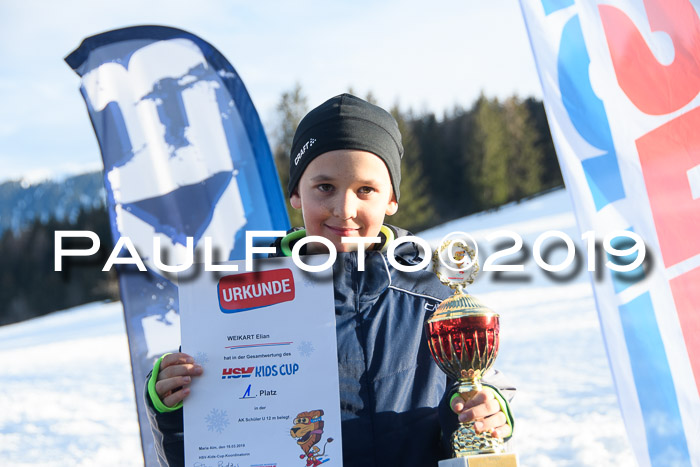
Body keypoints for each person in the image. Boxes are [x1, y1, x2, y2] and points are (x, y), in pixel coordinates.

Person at [145, 93, 515, 466]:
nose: (345, 209)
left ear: (391, 199)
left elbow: (465, 410)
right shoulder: (243, 299)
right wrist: (173, 407)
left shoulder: (430, 297)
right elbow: (207, 451)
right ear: (295, 194)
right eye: (325, 187)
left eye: (365, 190)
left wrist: (484, 412)